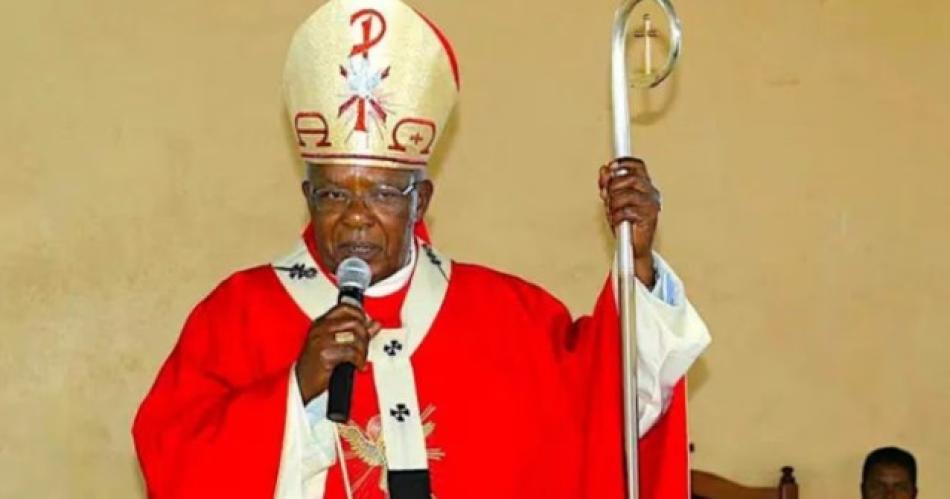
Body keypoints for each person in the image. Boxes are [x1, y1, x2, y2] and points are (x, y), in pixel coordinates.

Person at [132, 0, 710, 497]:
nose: (356, 216)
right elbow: (173, 455)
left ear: (421, 199)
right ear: (308, 198)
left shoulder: (509, 318)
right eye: (334, 193)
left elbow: (609, 407)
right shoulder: (235, 317)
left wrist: (636, 260)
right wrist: (296, 389)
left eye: (384, 193)